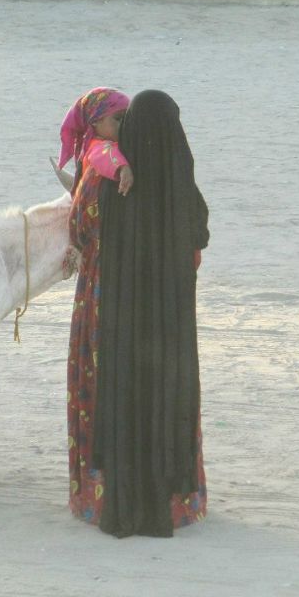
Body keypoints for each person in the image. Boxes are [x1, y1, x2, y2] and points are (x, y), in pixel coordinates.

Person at [67, 89, 209, 538]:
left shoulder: (103, 177)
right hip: (169, 326)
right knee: (169, 398)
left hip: (111, 311)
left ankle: (100, 499)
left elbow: (78, 228)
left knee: (109, 393)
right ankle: (178, 503)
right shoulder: (183, 190)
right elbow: (198, 239)